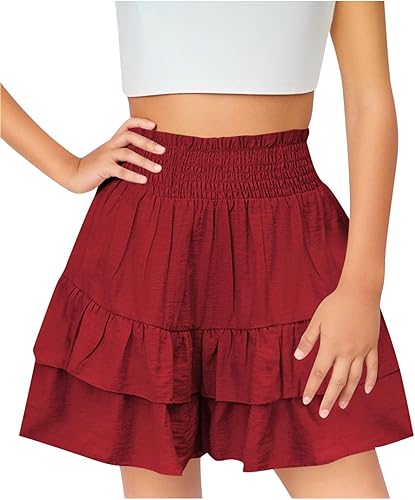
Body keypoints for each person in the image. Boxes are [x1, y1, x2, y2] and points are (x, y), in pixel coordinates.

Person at [1, 1, 413, 498]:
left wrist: (363, 285)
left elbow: (370, 100)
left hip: (286, 236)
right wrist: (66, 167)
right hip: (152, 232)